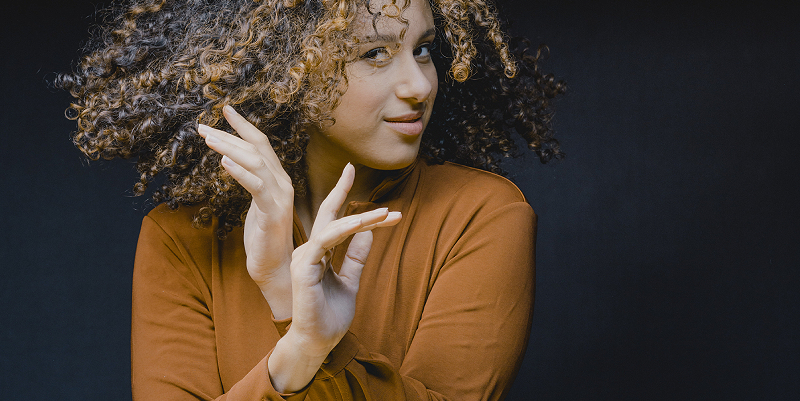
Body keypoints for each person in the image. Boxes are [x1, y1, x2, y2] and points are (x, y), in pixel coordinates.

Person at [56, 0, 564, 399]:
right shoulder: (180, 237)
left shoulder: (482, 215)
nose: (419, 84)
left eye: (423, 48)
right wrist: (302, 344)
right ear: (285, 71)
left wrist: (294, 311)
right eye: (375, 53)